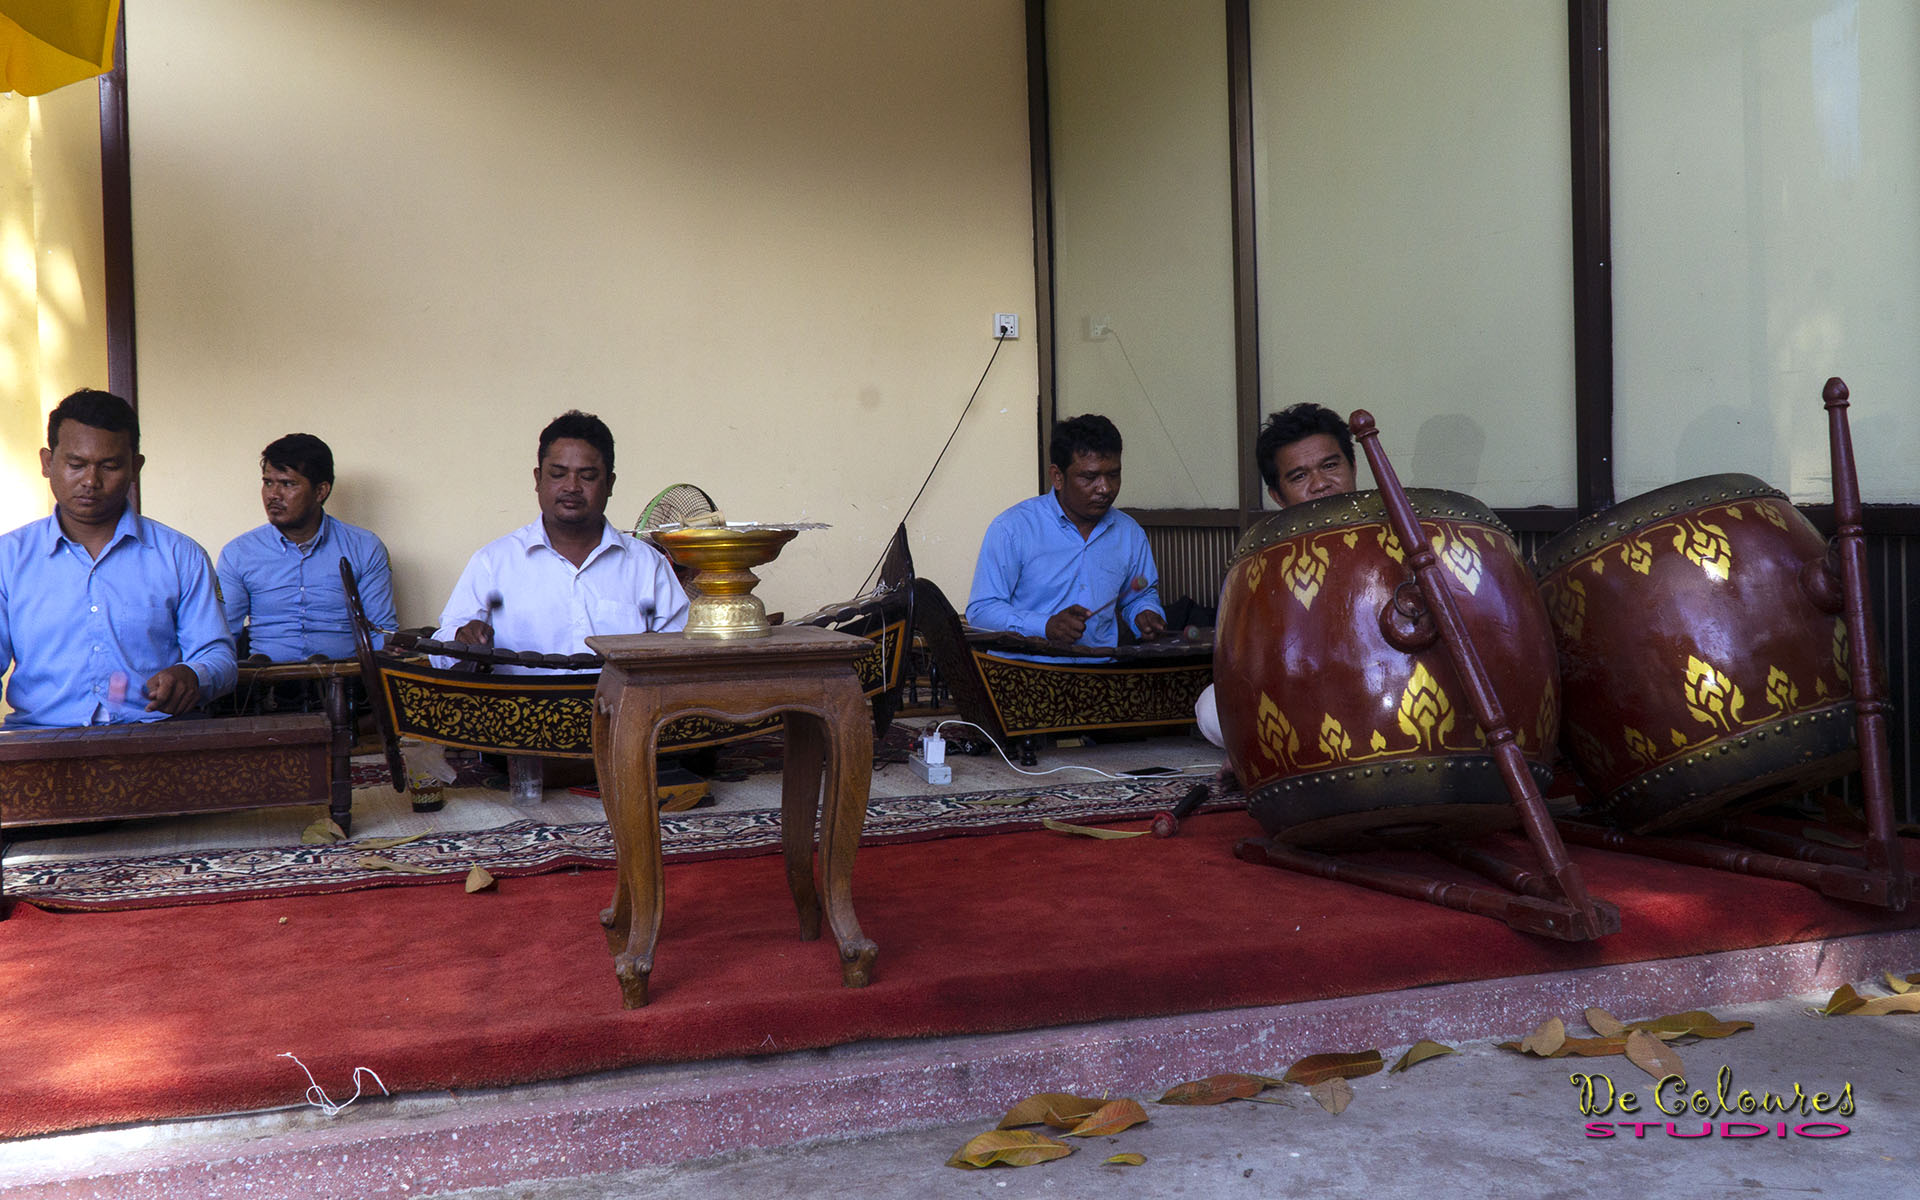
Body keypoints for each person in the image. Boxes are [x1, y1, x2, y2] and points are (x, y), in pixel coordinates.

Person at [0, 388, 236, 729]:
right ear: (47, 463)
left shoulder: (180, 556)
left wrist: (193, 674)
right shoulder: (9, 559)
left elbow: (219, 656)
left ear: (135, 467)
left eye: (109, 466)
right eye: (75, 464)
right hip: (42, 748)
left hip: (154, 742)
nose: (90, 481)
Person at [431, 410, 688, 670]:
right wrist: (462, 639)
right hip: (519, 708)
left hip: (620, 710)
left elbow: (685, 654)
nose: (572, 487)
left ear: (609, 484)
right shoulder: (493, 562)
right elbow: (438, 654)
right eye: (558, 474)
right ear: (537, 479)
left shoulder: (648, 566)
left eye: (587, 476)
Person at [1196, 402, 1359, 748]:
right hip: (1305, 689)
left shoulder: (1396, 532)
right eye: (1299, 476)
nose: (1320, 484)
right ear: (1277, 495)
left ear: (1353, 467)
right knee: (1212, 707)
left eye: (1331, 466)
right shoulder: (1262, 558)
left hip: (1381, 680)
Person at [967, 413, 1166, 652]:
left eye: (1113, 475)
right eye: (1089, 477)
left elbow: (1139, 596)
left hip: (1099, 669)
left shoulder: (1129, 533)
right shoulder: (1012, 529)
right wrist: (1045, 625)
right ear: (1057, 477)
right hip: (1026, 671)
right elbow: (982, 611)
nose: (1105, 488)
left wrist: (1145, 614)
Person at [217, 433, 398, 661]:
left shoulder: (365, 548)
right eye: (268, 482)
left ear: (321, 491)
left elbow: (379, 632)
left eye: (288, 484)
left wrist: (390, 651)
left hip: (347, 682)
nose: (273, 495)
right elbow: (221, 638)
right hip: (263, 686)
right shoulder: (238, 553)